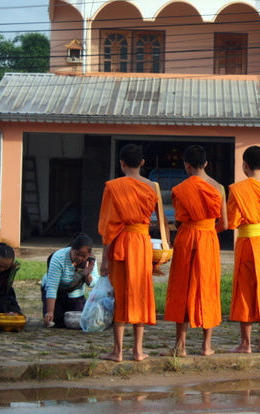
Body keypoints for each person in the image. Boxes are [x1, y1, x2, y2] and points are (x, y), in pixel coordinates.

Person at [164, 145, 227, 357]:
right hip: (208, 239)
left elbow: (178, 220)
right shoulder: (218, 188)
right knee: (208, 287)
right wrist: (208, 229)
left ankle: (180, 346)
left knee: (182, 287)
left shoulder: (181, 189)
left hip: (187, 238)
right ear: (206, 164)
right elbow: (225, 224)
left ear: (187, 165)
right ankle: (206, 346)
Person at [98, 143, 158, 362]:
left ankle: (118, 351)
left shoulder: (113, 187)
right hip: (142, 244)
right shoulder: (152, 187)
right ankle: (138, 350)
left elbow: (109, 227)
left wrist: (104, 258)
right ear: (142, 163)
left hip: (121, 244)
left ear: (121, 163)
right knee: (140, 293)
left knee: (121, 294)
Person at [227, 145, 260, 353]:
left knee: (245, 289)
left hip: (246, 241)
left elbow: (232, 221)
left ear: (244, 165)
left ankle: (245, 344)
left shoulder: (237, 189)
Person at [41, 233, 100, 328]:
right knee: (57, 320)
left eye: (83, 256)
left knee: (79, 319)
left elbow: (95, 283)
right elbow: (52, 287)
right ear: (71, 249)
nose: (80, 258)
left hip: (75, 292)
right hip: (57, 290)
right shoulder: (59, 257)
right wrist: (50, 312)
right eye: (77, 254)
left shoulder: (91, 261)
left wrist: (88, 275)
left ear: (88, 254)